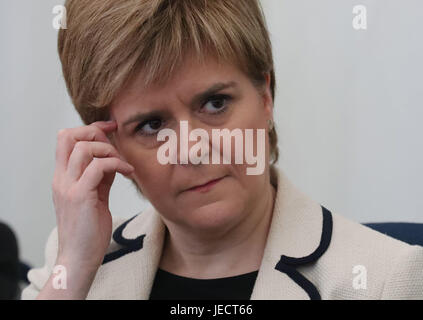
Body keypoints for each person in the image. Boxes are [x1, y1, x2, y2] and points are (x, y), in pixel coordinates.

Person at [22, 0, 422, 300]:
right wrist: (72, 270)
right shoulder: (73, 261)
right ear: (110, 146)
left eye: (215, 103)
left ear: (265, 95)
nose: (193, 149)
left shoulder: (385, 278)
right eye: (151, 125)